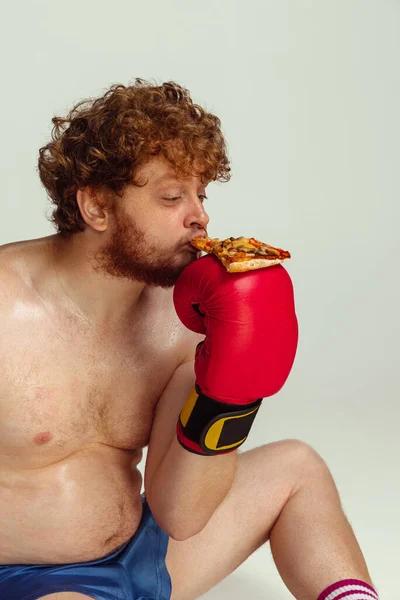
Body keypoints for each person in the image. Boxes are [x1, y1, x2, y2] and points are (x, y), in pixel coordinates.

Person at [0, 79, 379, 600]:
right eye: (171, 196)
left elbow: (182, 512)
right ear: (96, 208)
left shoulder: (186, 319)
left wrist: (233, 394)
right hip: (28, 579)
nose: (199, 215)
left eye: (201, 194)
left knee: (297, 467)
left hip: (147, 555)